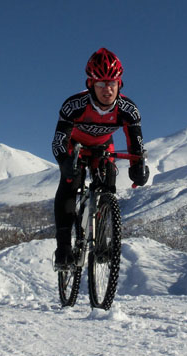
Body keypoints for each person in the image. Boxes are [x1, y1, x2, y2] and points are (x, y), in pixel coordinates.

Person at [51, 47, 149, 268]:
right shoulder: (73, 106)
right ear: (90, 85)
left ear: (119, 84)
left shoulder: (129, 110)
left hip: (102, 147)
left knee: (108, 179)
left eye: (112, 83)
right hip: (74, 147)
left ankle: (102, 241)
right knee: (70, 183)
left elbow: (136, 144)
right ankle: (64, 247)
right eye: (101, 83)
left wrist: (139, 166)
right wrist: (64, 162)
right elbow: (58, 141)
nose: (107, 89)